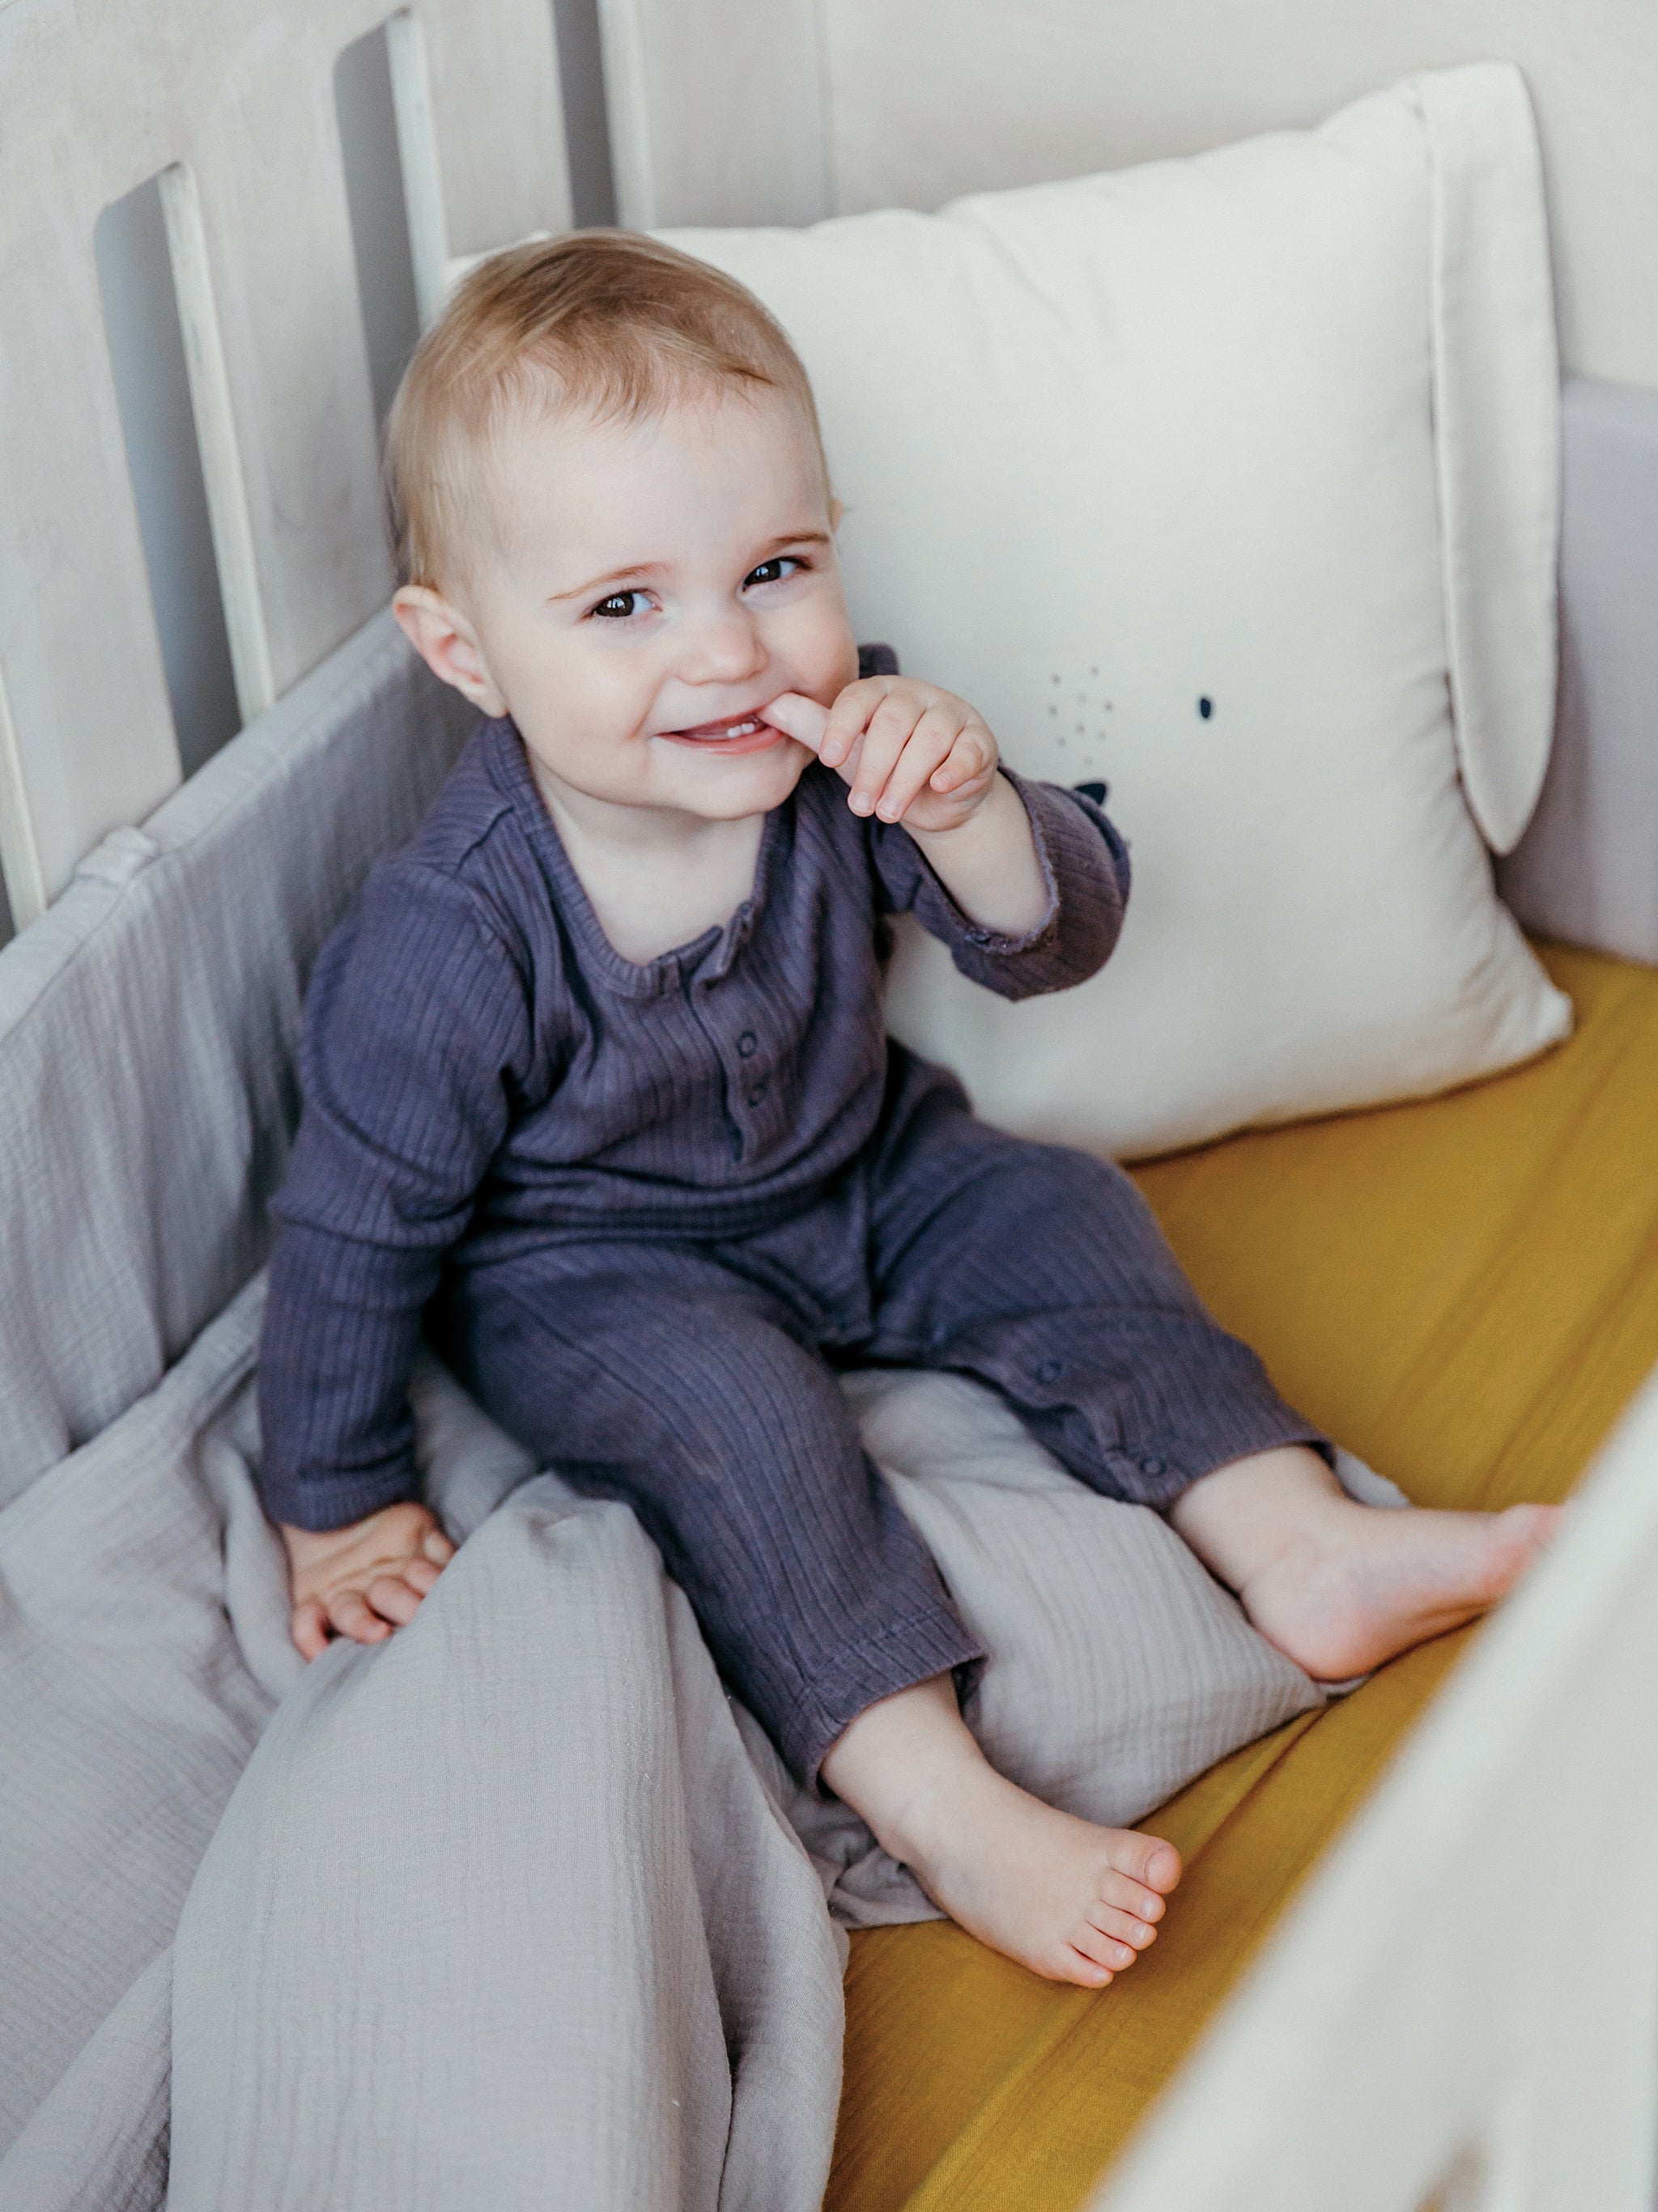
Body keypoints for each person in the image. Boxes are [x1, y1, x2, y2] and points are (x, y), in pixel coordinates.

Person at [257, 232, 1558, 1989]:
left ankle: (1297, 1537)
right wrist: (331, 1491)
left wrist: (966, 813)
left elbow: (1050, 943)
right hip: (595, 1273)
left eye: (774, 565)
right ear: (465, 649)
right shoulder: (451, 935)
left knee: (1064, 1217)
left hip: (863, 1160)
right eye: (624, 605)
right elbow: (356, 1220)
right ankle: (944, 1802)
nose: (728, 651)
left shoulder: (836, 746)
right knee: (742, 1433)